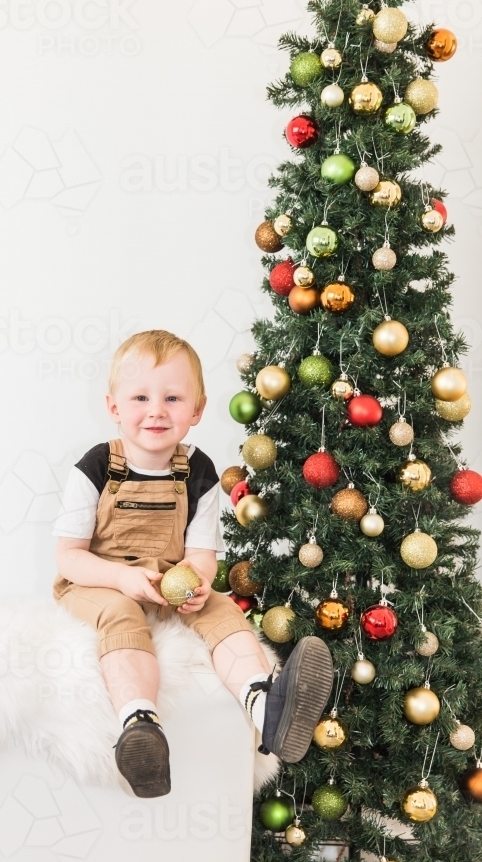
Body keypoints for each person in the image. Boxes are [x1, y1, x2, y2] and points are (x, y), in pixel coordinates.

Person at [52, 330, 333, 798]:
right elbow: (69, 557)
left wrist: (199, 582)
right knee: (121, 615)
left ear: (197, 410)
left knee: (221, 608)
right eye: (140, 396)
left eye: (173, 397)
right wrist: (122, 578)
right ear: (114, 407)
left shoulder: (198, 471)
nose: (157, 410)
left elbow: (200, 555)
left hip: (167, 584)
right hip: (98, 581)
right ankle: (139, 726)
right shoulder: (97, 466)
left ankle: (269, 709)